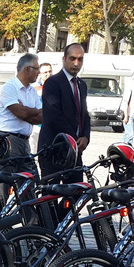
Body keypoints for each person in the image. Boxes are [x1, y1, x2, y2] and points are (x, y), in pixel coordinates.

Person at [0, 53, 43, 212]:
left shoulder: (32, 92)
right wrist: (32, 112)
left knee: (29, 183)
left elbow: (40, 118)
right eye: (37, 69)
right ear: (27, 69)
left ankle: (31, 226)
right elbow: (20, 113)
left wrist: (28, 111)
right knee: (3, 184)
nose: (38, 73)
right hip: (8, 140)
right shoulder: (10, 87)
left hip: (24, 141)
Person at [38, 43, 90, 181]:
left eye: (80, 59)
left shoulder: (81, 85)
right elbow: (54, 116)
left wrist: (85, 136)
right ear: (64, 59)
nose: (76, 63)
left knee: (77, 194)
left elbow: (84, 114)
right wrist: (74, 138)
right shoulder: (52, 83)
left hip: (74, 151)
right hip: (53, 148)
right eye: (72, 58)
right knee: (51, 197)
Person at [30, 62, 52, 153]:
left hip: (51, 125)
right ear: (39, 74)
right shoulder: (34, 88)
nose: (48, 74)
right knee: (33, 151)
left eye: (50, 71)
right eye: (45, 72)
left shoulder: (57, 87)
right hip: (36, 126)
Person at [123, 78, 134, 145]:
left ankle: (125, 147)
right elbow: (126, 104)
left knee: (129, 134)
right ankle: (125, 148)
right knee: (130, 134)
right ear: (133, 82)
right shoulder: (129, 91)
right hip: (129, 115)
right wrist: (126, 116)